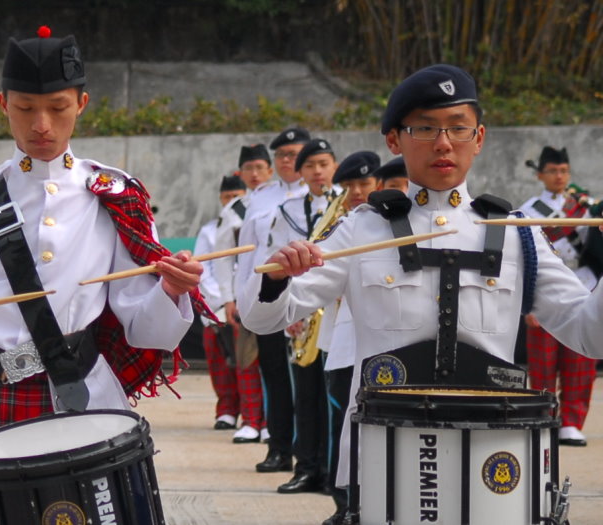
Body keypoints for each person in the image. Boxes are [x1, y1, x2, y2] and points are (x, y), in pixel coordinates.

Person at [242, 64, 603, 525]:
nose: (444, 143)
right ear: (394, 140)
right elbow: (266, 319)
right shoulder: (360, 230)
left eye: (458, 128)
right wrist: (278, 278)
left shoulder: (515, 234)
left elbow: (590, 335)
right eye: (426, 129)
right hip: (382, 464)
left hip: (492, 467)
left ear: (480, 136)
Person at [0, 28, 204, 525]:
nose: (42, 124)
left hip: (86, 399)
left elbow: (146, 328)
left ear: (82, 103)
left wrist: (173, 291)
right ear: (3, 103)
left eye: (57, 107)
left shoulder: (113, 195)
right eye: (26, 108)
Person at [246, 137, 343, 494]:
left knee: (331, 394)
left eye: (324, 164)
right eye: (310, 166)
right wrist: (290, 309)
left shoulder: (349, 208)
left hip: (333, 308)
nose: (318, 172)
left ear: (334, 166)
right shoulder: (285, 210)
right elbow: (277, 258)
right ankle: (306, 467)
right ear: (300, 173)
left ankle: (332, 472)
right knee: (304, 393)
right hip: (303, 310)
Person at [230, 128, 317, 473]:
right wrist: (241, 298)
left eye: (295, 154)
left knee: (308, 384)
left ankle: (309, 455)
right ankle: (278, 448)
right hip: (266, 297)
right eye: (281, 155)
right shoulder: (261, 197)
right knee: (274, 377)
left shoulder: (324, 196)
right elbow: (249, 256)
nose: (288, 161)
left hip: (306, 300)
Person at [312, 150, 380, 510]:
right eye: (349, 185)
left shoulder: (389, 225)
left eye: (363, 184)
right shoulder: (340, 223)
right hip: (342, 334)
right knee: (341, 419)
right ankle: (344, 503)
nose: (356, 192)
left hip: (382, 340)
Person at [517, 145, 597, 446]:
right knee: (543, 362)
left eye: (563, 171)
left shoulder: (584, 207)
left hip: (581, 280)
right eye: (552, 170)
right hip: (545, 288)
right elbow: (525, 257)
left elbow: (593, 248)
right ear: (540, 175)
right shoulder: (527, 209)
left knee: (581, 358)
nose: (559, 176)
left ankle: (572, 422)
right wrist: (528, 305)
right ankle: (543, 415)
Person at [213, 144, 276, 444]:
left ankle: (272, 422)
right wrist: (228, 298)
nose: (254, 174)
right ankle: (251, 420)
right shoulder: (234, 209)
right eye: (248, 169)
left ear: (270, 170)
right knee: (247, 359)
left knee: (275, 361)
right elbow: (223, 258)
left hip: (278, 291)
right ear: (241, 173)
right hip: (246, 294)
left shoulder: (283, 200)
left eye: (259, 167)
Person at [196, 174, 252, 434]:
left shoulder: (252, 224)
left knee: (246, 362)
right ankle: (227, 410)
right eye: (227, 197)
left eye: (237, 197)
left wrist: (238, 298)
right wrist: (220, 301)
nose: (232, 201)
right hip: (216, 304)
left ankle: (251, 416)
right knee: (219, 361)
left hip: (245, 303)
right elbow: (203, 268)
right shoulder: (209, 229)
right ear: (221, 198)